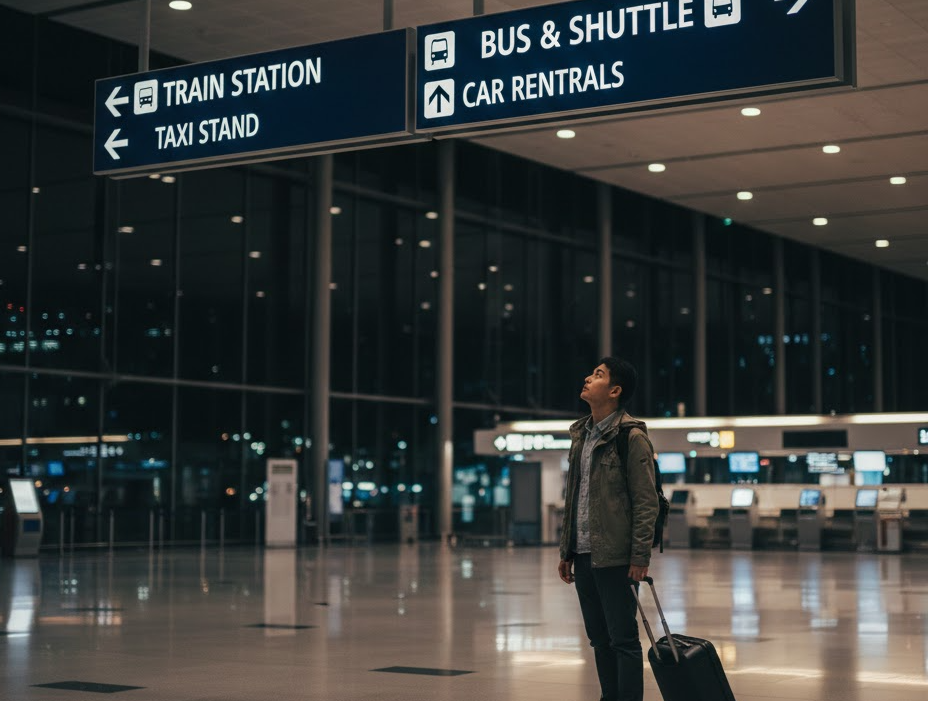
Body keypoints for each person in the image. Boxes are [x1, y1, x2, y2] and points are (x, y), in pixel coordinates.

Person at [558, 356, 658, 701]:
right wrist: (566, 549)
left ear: (615, 391)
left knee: (623, 640)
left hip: (616, 555)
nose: (588, 378)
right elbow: (575, 496)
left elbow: (647, 501)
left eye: (598, 375)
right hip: (584, 553)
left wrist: (640, 555)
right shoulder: (580, 435)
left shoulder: (631, 438)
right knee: (599, 639)